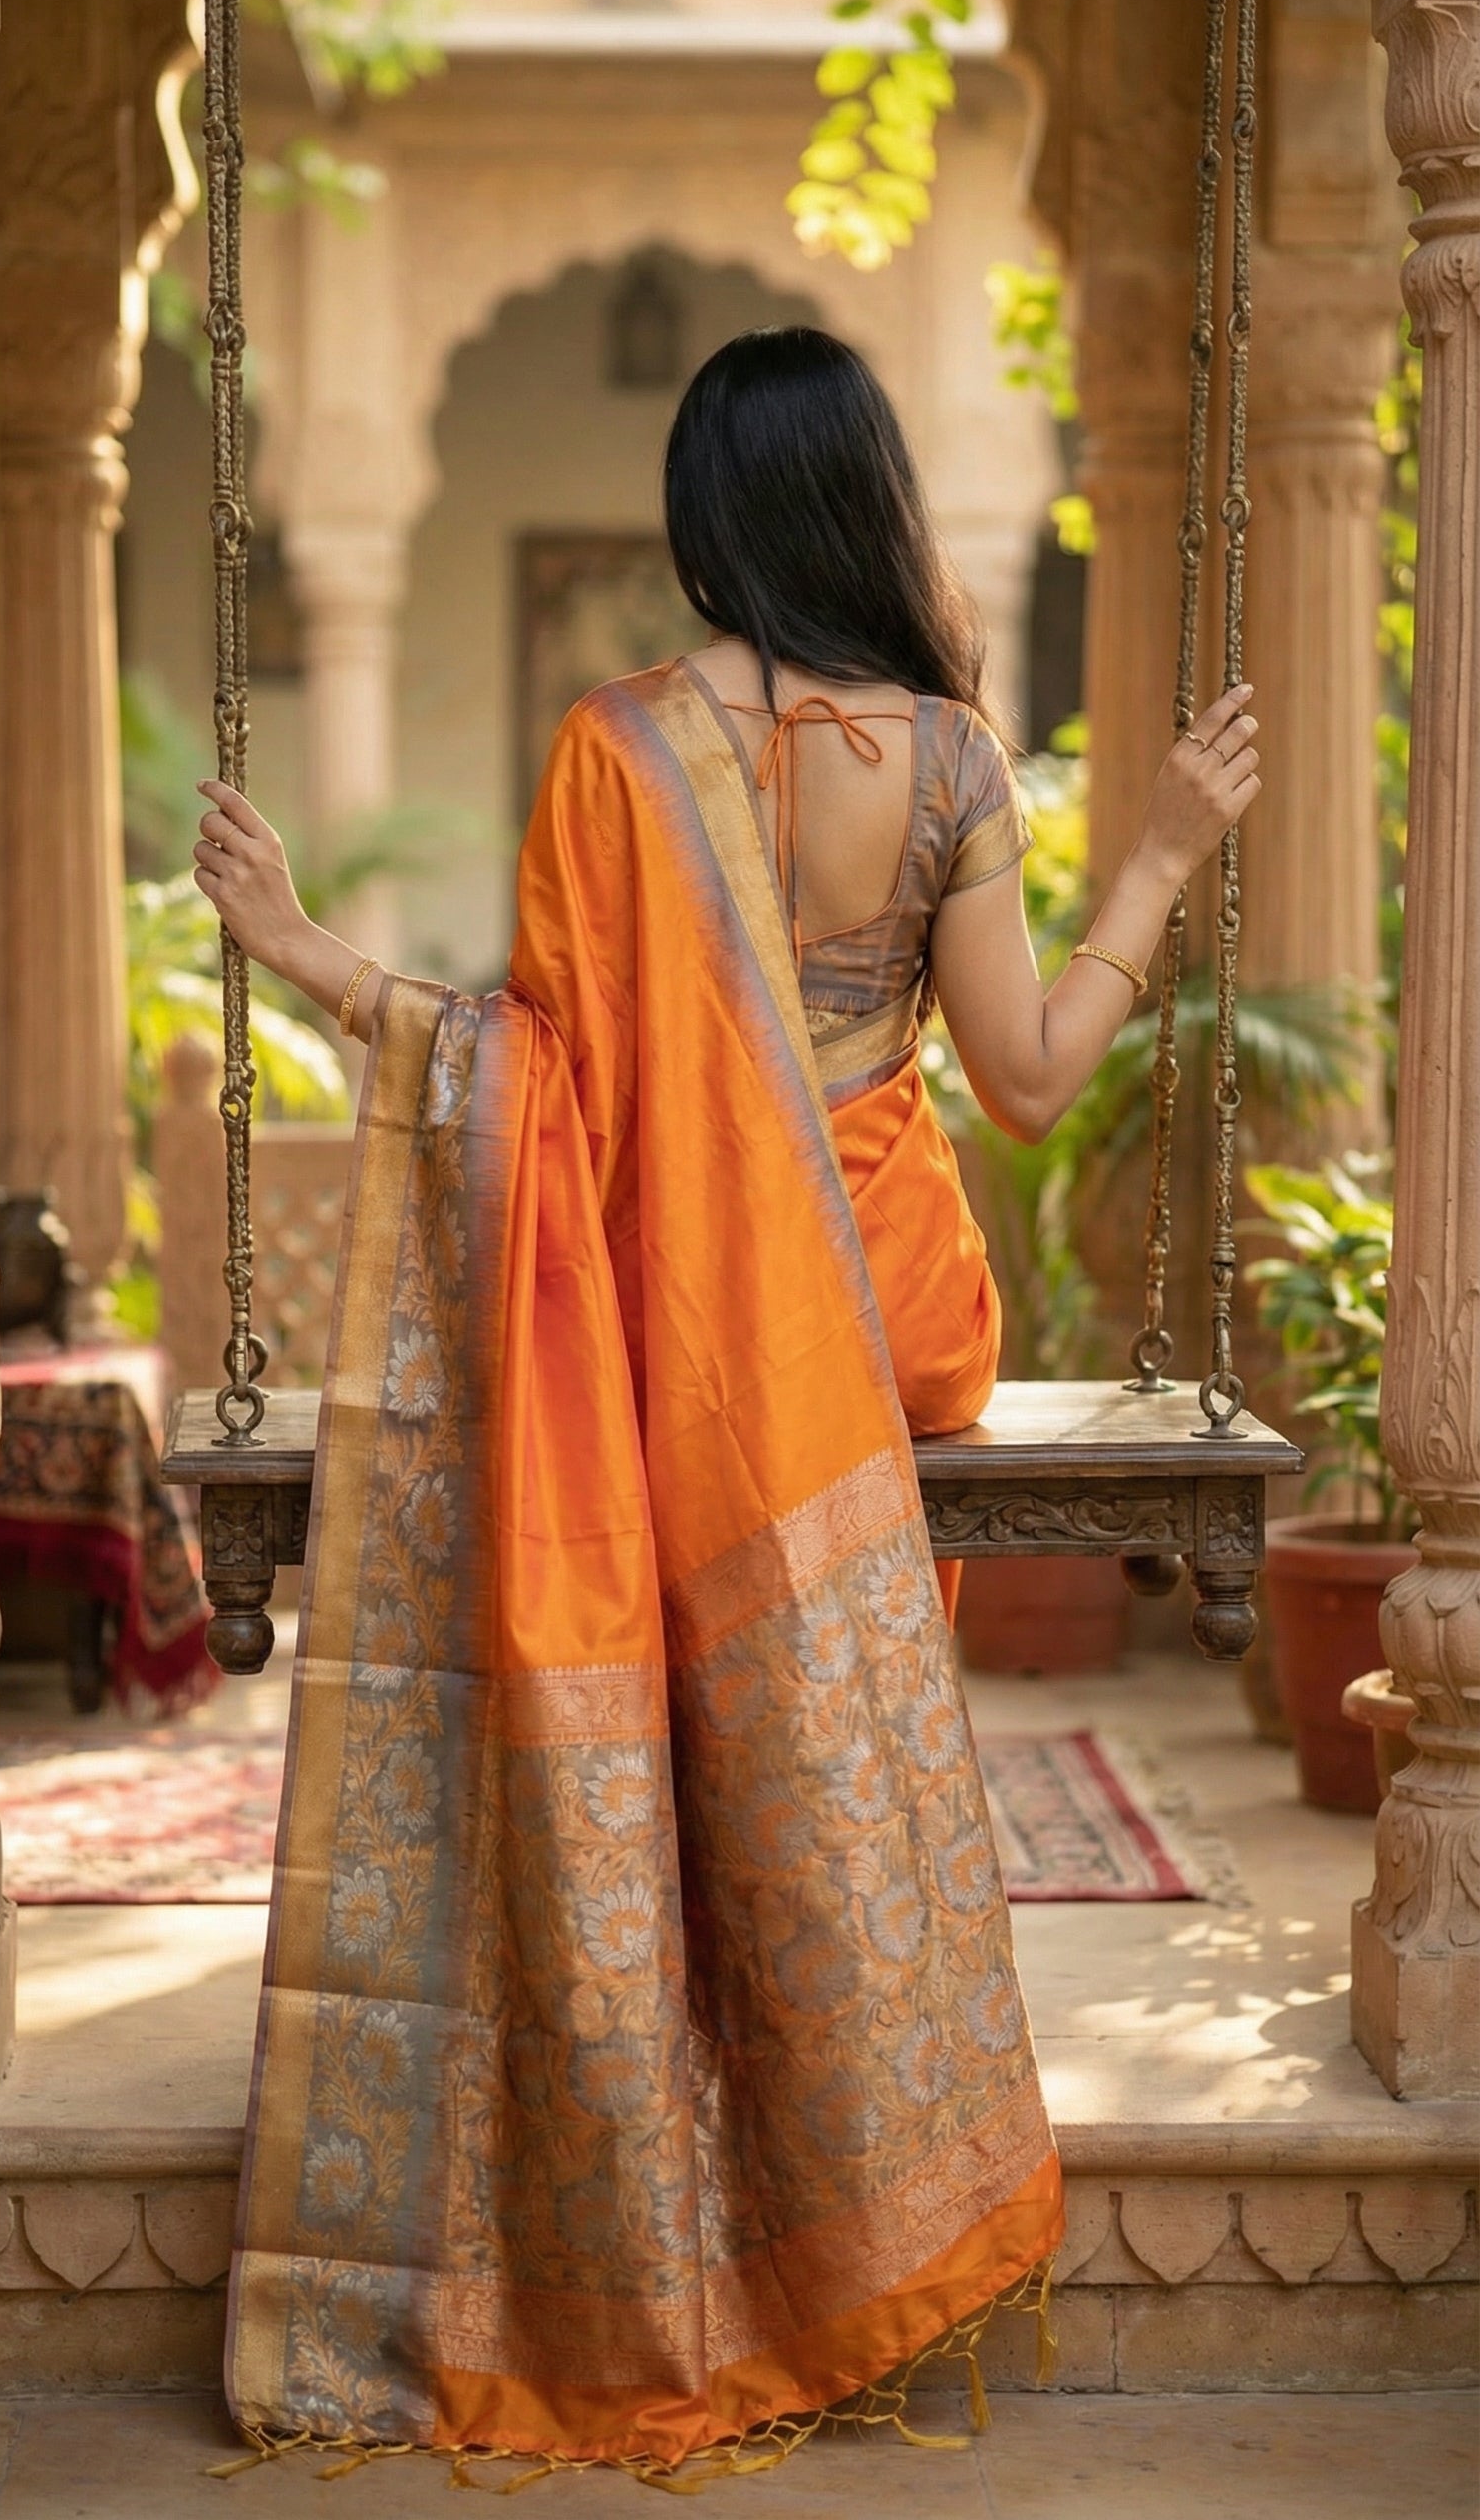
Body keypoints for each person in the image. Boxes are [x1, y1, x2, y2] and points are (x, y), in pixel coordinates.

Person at [193, 328, 1258, 2480]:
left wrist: (309, 954)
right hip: (882, 1325)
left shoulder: (624, 748)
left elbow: (541, 1081)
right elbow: (1033, 1076)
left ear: (706, 522)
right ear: (865, 500)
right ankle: (842, 2204)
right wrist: (1158, 855)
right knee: (815, 1742)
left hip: (687, 1333)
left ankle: (660, 2186)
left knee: (679, 1716)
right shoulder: (953, 759)